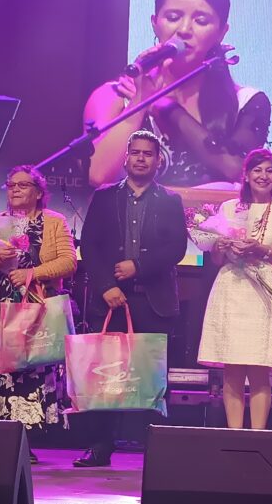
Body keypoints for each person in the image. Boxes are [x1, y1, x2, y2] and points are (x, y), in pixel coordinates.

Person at [84, 0, 271, 188]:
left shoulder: (247, 101)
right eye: (173, 18)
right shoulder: (114, 95)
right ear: (155, 23)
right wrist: (141, 101)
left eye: (201, 21)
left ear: (221, 32)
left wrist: (166, 106)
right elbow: (98, 175)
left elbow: (236, 168)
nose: (183, 30)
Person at [73, 130, 187, 467]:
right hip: (110, 299)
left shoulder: (170, 200)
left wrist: (137, 266)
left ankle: (155, 447)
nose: (140, 158)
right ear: (126, 158)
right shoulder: (105, 197)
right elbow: (88, 245)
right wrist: (106, 284)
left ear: (158, 160)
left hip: (153, 300)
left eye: (147, 153)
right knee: (106, 376)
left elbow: (176, 248)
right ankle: (100, 446)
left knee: (150, 378)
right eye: (135, 152)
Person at [0, 165, 77, 464]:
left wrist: (32, 273)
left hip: (37, 310)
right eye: (11, 184)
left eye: (23, 185)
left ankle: (24, 442)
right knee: (3, 373)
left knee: (32, 370)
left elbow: (69, 263)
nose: (15, 189)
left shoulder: (54, 222)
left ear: (39, 192)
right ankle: (4, 441)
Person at [197, 148, 272, 429]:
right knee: (232, 370)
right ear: (246, 174)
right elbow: (217, 259)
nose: (263, 176)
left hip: (265, 288)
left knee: (259, 369)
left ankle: (257, 435)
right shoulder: (230, 208)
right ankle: (235, 434)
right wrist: (219, 246)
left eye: (269, 171)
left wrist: (262, 250)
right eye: (257, 170)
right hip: (232, 287)